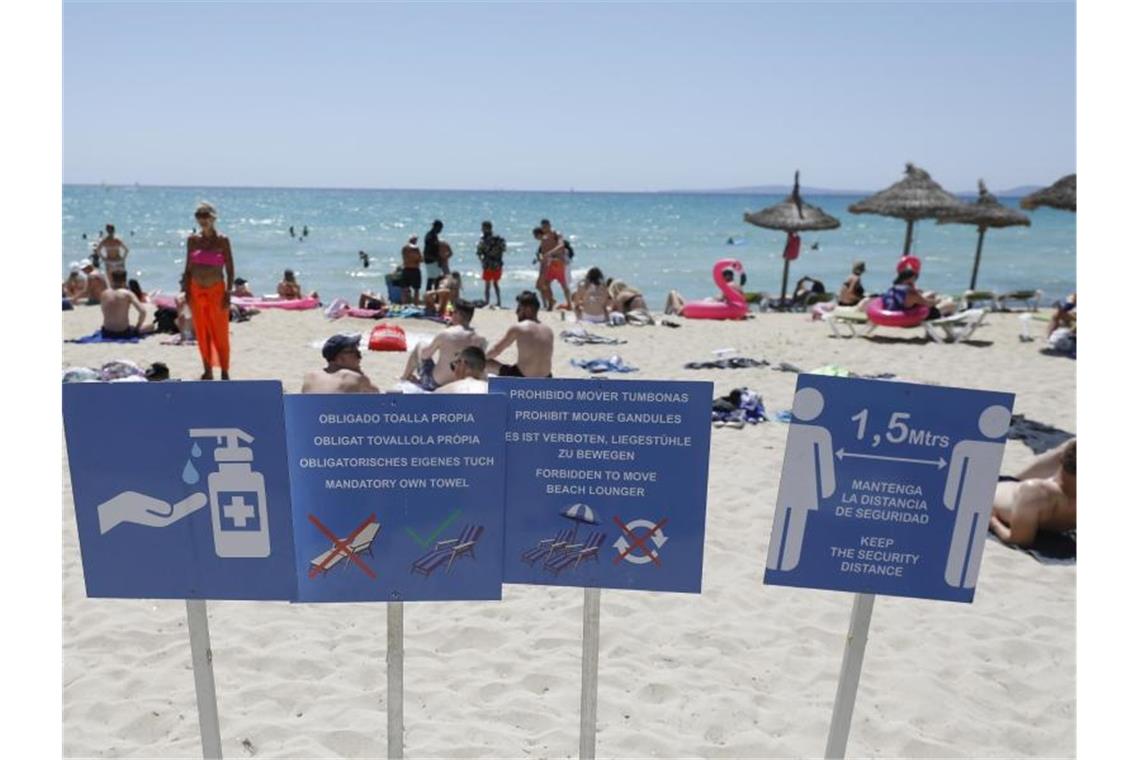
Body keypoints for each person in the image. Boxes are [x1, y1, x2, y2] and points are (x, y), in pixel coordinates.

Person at [990, 439, 1076, 548]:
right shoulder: (1037, 493)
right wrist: (993, 521)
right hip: (993, 490)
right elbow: (1019, 541)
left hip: (1016, 490)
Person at [183, 201, 235, 380]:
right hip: (196, 290)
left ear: (213, 217)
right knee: (202, 331)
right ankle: (207, 370)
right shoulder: (192, 240)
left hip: (217, 290)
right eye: (199, 215)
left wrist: (228, 292)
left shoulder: (222, 240)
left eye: (206, 215)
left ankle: (225, 371)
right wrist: (186, 291)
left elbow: (230, 268)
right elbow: (188, 268)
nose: (202, 219)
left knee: (220, 332)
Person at [401, 299, 486, 390]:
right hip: (463, 383)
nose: (451, 315)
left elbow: (425, 355)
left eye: (452, 312)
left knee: (421, 345)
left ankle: (404, 378)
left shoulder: (446, 334)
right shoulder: (481, 339)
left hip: (436, 384)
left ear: (458, 314)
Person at [486, 290, 555, 378]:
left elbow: (496, 350)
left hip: (522, 377)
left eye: (519, 308)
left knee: (484, 362)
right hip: (546, 378)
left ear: (528, 309)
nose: (516, 312)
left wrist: (481, 358)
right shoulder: (548, 330)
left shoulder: (519, 328)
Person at [301, 334, 380, 394]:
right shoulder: (353, 378)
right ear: (339, 359)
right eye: (355, 353)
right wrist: (360, 374)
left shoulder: (310, 377)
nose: (359, 357)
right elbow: (378, 395)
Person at [882, 268, 955, 320]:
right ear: (910, 279)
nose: (914, 281)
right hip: (911, 317)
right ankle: (951, 328)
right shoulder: (911, 293)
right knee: (950, 304)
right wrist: (938, 300)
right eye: (914, 279)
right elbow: (927, 303)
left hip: (898, 311)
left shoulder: (893, 289)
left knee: (931, 294)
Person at [99, 269, 149, 339]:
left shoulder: (104, 293)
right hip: (122, 331)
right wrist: (138, 326)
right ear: (125, 280)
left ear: (111, 279)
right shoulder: (127, 294)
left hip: (107, 330)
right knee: (151, 326)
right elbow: (143, 312)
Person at [538, 218, 572, 310]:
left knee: (563, 284)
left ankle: (569, 304)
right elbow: (542, 250)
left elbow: (561, 245)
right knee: (546, 283)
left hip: (558, 262)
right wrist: (541, 257)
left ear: (549, 225)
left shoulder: (556, 234)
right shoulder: (544, 237)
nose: (545, 228)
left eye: (546, 226)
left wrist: (550, 253)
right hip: (549, 264)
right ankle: (550, 303)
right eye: (543, 227)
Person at [476, 220, 507, 307]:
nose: (481, 229)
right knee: (495, 283)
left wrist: (482, 260)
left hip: (488, 264)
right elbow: (504, 249)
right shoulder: (498, 238)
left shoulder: (483, 239)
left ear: (486, 228)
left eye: (483, 228)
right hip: (497, 264)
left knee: (487, 284)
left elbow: (479, 252)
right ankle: (498, 301)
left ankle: (487, 301)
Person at [531, 227, 555, 310]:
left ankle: (551, 301)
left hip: (546, 265)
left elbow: (547, 254)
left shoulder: (545, 240)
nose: (534, 237)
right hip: (544, 265)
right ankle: (550, 301)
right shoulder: (543, 241)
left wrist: (541, 259)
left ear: (538, 234)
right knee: (543, 285)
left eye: (534, 235)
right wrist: (538, 259)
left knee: (540, 285)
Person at [423, 220, 445, 291]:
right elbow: (428, 250)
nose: (440, 230)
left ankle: (435, 296)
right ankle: (430, 296)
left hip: (433, 260)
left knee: (436, 278)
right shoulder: (430, 236)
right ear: (436, 227)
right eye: (440, 228)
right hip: (431, 260)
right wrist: (437, 259)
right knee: (432, 278)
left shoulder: (434, 235)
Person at [400, 235, 423, 304]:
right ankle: (416, 305)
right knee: (416, 289)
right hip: (415, 269)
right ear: (415, 240)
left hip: (406, 269)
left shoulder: (404, 248)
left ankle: (404, 304)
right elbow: (420, 259)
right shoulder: (416, 248)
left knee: (404, 289)